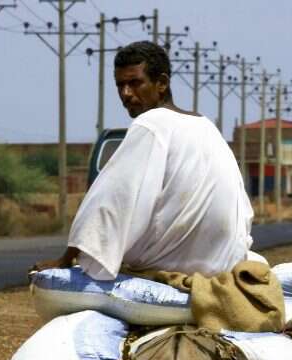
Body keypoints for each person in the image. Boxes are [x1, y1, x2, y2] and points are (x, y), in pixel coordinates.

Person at [32, 41, 253, 280]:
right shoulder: (206, 126)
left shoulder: (151, 124)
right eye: (120, 85)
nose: (126, 94)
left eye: (135, 83)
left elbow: (112, 197)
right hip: (224, 263)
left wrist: (67, 259)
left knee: (105, 260)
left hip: (174, 261)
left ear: (162, 83)